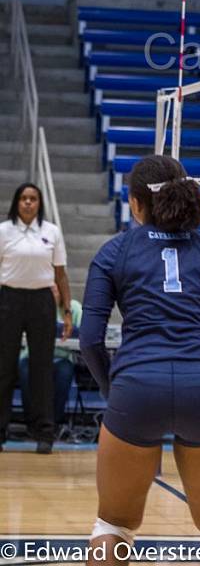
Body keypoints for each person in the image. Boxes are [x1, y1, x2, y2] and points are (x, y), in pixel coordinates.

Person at [80, 155, 200, 566]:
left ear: (135, 202)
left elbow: (90, 340)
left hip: (136, 387)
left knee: (113, 527)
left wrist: (115, 392)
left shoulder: (114, 252)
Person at [0, 184, 72, 454]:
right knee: (3, 368)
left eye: (33, 199)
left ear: (39, 203)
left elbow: (61, 274)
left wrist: (66, 311)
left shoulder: (51, 232)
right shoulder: (4, 231)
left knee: (42, 369)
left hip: (42, 301)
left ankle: (44, 433)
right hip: (8, 300)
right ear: (17, 202)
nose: (28, 203)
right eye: (24, 198)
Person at [18, 284, 82, 432]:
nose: (52, 293)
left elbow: (82, 332)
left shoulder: (74, 308)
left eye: (54, 289)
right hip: (32, 355)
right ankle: (31, 420)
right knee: (25, 368)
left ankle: (54, 421)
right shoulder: (32, 306)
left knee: (64, 370)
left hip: (61, 356)